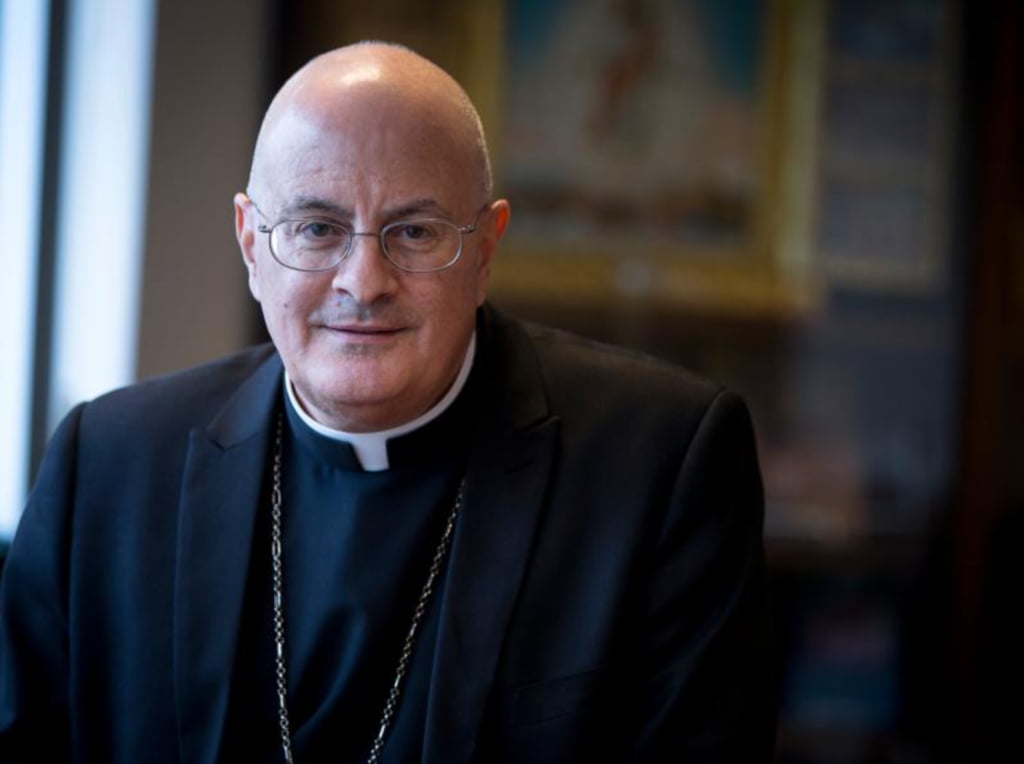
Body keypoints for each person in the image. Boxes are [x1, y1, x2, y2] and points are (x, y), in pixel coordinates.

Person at [0, 43, 774, 763]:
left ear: (485, 248)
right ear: (250, 243)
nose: (363, 282)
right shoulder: (108, 466)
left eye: (414, 232)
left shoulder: (662, 465)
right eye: (316, 228)